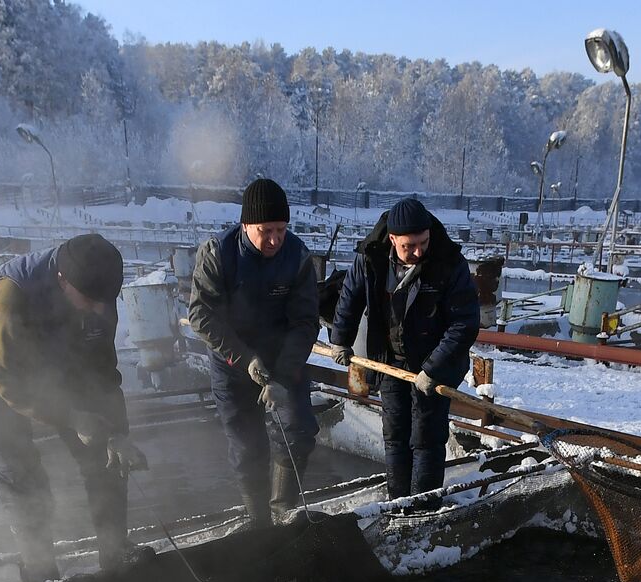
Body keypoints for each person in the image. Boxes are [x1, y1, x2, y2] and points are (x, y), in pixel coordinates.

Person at [0, 233, 149, 582]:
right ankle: (40, 575)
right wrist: (72, 417)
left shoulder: (97, 291)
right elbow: (8, 381)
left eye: (106, 302)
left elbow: (102, 371)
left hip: (55, 353)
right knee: (21, 471)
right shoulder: (10, 296)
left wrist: (117, 432)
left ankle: (115, 554)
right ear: (62, 280)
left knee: (105, 454)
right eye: (91, 301)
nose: (101, 310)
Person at [188, 178, 320, 526]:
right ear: (246, 225)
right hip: (233, 361)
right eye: (266, 230)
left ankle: (283, 512)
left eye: (281, 229)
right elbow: (201, 315)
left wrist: (280, 375)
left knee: (300, 429)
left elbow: (305, 323)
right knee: (247, 446)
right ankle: (259, 521)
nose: (275, 239)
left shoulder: (298, 257)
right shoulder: (218, 253)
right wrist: (245, 359)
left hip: (282, 359)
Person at [330, 197, 479, 500]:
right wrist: (341, 339)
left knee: (426, 438)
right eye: (408, 246)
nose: (418, 251)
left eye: (423, 242)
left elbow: (464, 323)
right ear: (392, 239)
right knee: (395, 434)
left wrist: (432, 369)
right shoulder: (371, 256)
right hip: (390, 361)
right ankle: (398, 501)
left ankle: (424, 508)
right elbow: (351, 295)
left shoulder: (447, 262)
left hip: (433, 363)